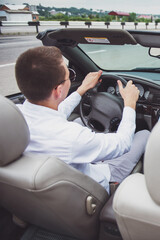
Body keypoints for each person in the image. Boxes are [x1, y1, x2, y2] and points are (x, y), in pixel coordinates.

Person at [15, 46, 150, 193]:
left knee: (80, 121)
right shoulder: (71, 137)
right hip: (97, 183)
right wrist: (130, 104)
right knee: (144, 134)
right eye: (70, 76)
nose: (71, 79)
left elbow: (55, 112)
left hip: (52, 179)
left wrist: (81, 90)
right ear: (59, 90)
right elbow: (123, 144)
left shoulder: (15, 117)